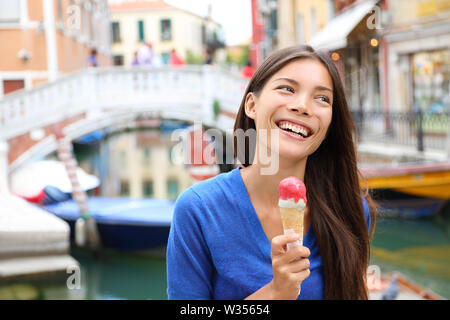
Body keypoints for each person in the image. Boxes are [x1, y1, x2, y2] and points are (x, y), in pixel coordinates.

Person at [166, 45, 376, 300]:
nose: (302, 106)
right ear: (252, 106)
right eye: (287, 88)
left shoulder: (349, 209)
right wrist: (276, 293)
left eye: (322, 98)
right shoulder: (198, 209)